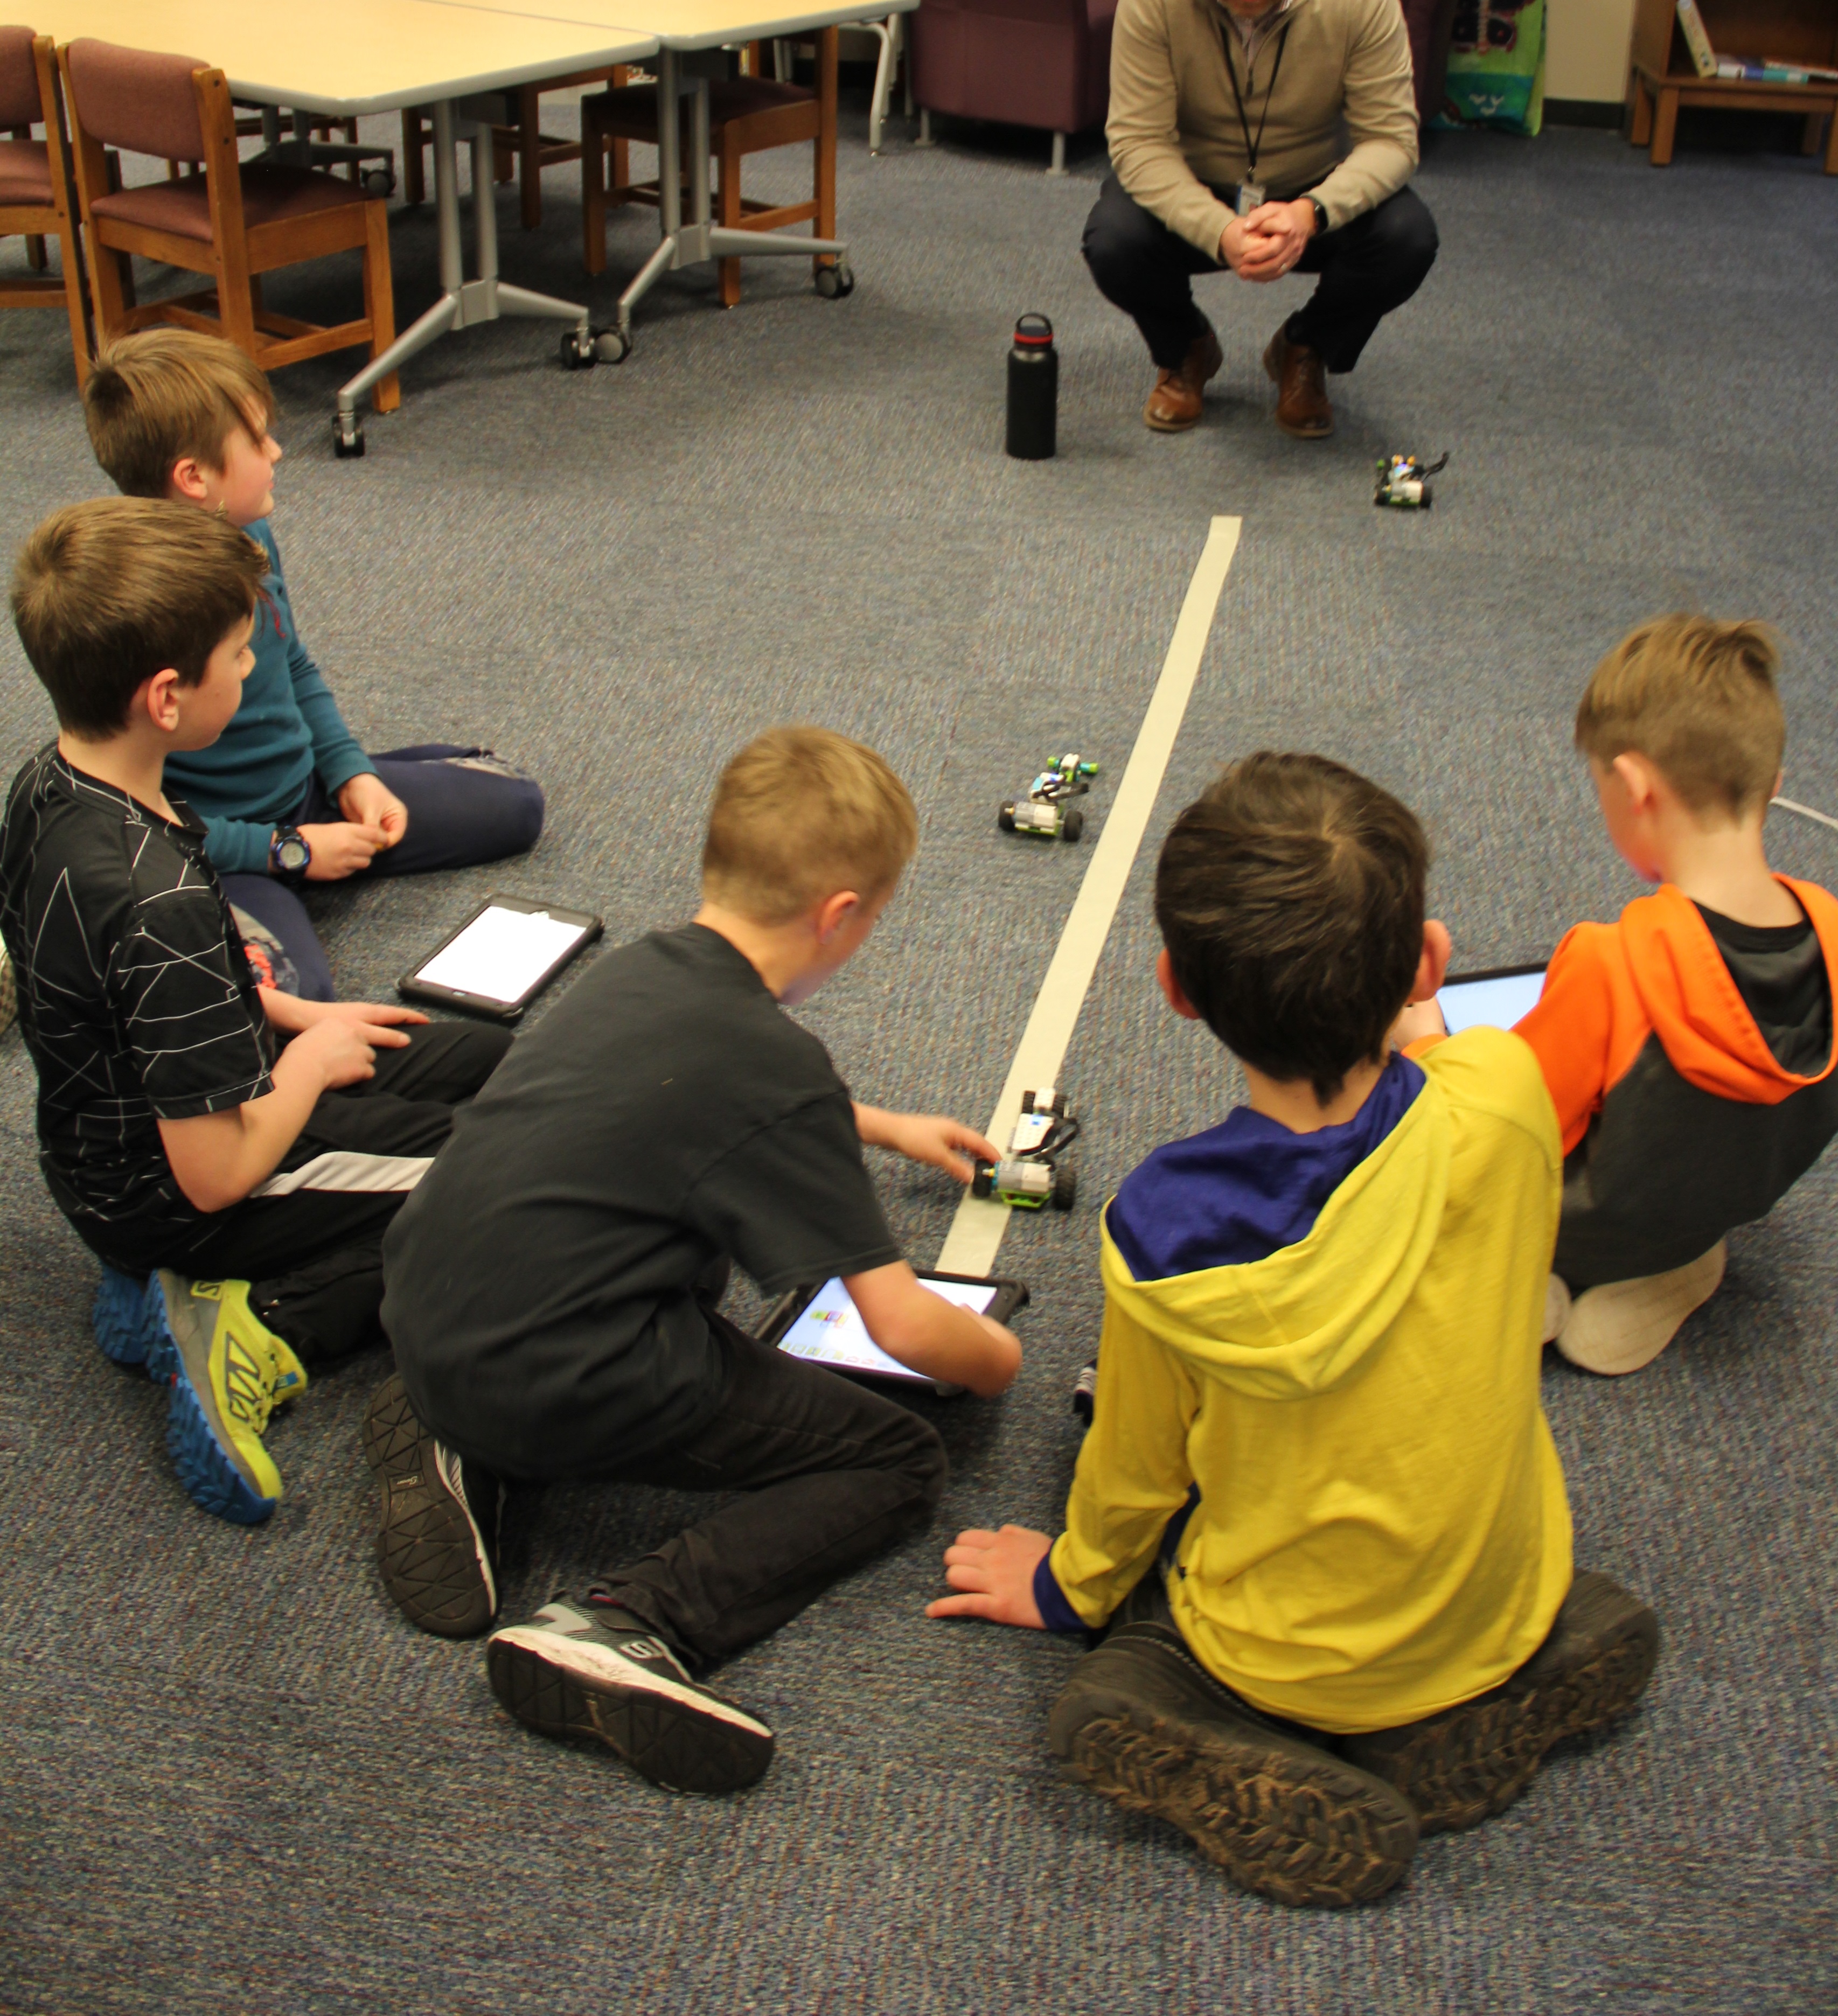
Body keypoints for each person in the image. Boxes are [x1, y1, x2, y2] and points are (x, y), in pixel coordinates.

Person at [929, 752, 1657, 1909]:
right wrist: (1417, 1020)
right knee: (1502, 1551)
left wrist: (1067, 1585)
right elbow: (1443, 1077)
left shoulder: (1162, 1226)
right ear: (1427, 962)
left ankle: (1255, 1724)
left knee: (1111, 1676)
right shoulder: (1507, 1089)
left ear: (1178, 988)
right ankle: (1486, 1687)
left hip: (1285, 1653)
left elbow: (1136, 1472)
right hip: (1498, 1593)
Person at [374, 724, 1023, 1795]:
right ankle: (626, 1625)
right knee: (898, 1461)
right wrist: (994, 1358)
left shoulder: (639, 968)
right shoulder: (780, 1062)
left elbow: (681, 1093)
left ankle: (453, 1439)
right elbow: (905, 1327)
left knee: (653, 1250)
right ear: (841, 917)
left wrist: (875, 1125)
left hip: (430, 1315)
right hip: (564, 1370)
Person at [2, 500, 509, 1525]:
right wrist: (312, 1060)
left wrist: (283, 1011)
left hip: (115, 1136)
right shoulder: (164, 905)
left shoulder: (51, 783)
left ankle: (152, 1278)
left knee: (496, 1067)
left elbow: (116, 1000)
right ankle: (250, 1321)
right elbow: (218, 1168)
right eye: (239, 655)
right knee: (509, 1180)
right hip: (186, 1180)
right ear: (166, 697)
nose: (251, 670)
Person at [82, 332, 546, 1003]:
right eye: (260, 441)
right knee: (298, 998)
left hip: (304, 791)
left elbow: (293, 662)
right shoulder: (140, 613)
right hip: (215, 848)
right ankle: (288, 878)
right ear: (194, 479)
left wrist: (350, 769)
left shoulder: (249, 532)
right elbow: (137, 822)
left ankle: (368, 795)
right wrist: (288, 850)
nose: (277, 453)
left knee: (518, 806)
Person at [1517, 616, 1838, 1376]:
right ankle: (1676, 1266)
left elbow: (1516, 1124)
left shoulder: (1611, 963)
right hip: (1706, 1211)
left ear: (1635, 787)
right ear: (1772, 785)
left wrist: (1429, 1046)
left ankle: (1538, 1274)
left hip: (1575, 1223)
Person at [1083, 0, 1437, 440]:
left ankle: (1305, 349)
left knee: (1408, 238)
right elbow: (1139, 143)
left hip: (1310, 192)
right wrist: (1218, 230)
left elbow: (1393, 139)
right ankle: (1186, 349)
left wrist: (1310, 214)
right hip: (1196, 187)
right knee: (1112, 241)